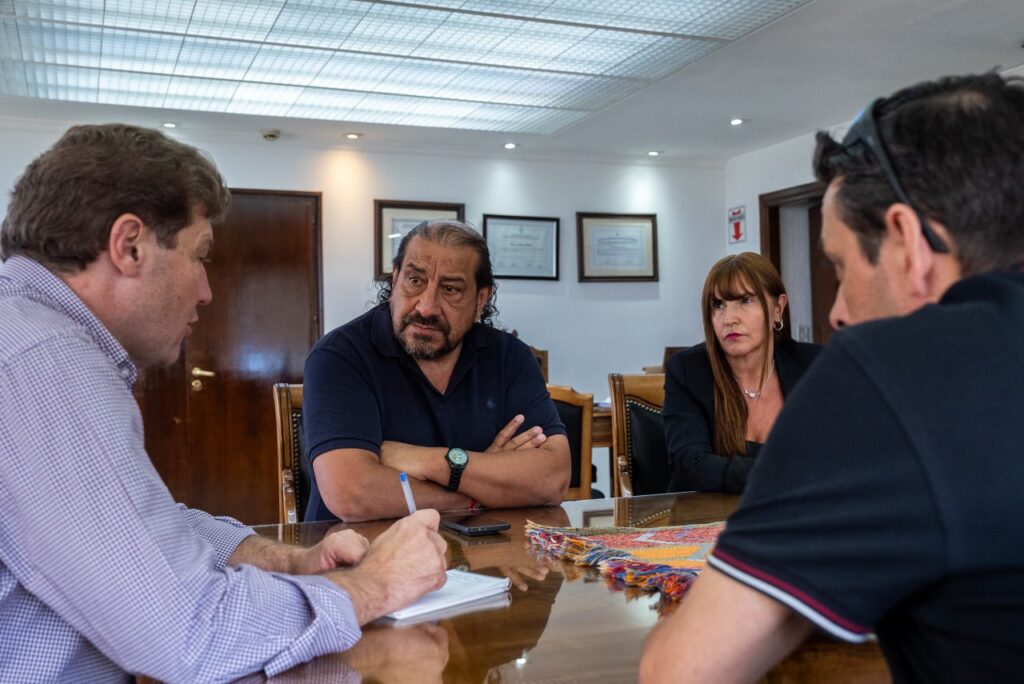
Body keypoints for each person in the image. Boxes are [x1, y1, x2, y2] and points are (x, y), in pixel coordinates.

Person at [0, 124, 449, 683]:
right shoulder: (42, 361)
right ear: (129, 245)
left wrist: (291, 560)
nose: (206, 291)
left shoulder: (29, 339)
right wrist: (372, 585)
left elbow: (144, 526)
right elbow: (190, 633)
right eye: (200, 256)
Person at [640, 72, 1024, 683]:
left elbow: (681, 671)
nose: (840, 310)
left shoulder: (883, 374)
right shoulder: (694, 370)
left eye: (841, 266)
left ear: (907, 242)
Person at [302, 220, 570, 522]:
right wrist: (480, 490)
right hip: (359, 548)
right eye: (415, 281)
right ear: (395, 279)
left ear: (481, 299)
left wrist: (430, 462)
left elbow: (552, 479)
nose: (426, 307)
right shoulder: (340, 356)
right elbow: (353, 495)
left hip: (485, 548)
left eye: (450, 289)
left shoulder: (510, 357)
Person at [663, 253, 820, 493]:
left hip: (795, 510)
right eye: (718, 305)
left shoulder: (813, 365)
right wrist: (781, 474)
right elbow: (689, 464)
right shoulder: (687, 370)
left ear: (778, 309)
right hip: (705, 513)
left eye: (745, 301)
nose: (729, 319)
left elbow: (840, 453)